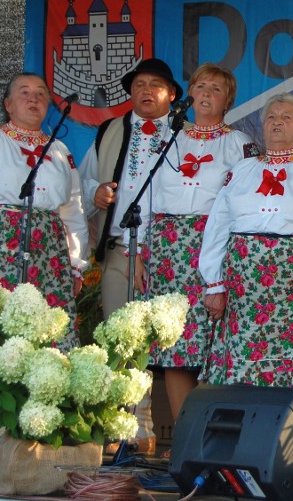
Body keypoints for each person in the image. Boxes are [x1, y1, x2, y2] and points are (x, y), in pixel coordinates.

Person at [199, 93, 293, 395]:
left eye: (286, 117)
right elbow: (217, 226)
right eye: (271, 117)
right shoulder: (242, 170)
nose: (277, 123)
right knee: (242, 357)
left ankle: (288, 431)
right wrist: (214, 283)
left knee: (292, 360)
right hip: (243, 286)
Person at [126, 63, 252, 423]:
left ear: (228, 99)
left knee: (213, 341)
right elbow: (145, 198)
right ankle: (184, 433)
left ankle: (212, 433)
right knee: (175, 342)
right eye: (201, 87)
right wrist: (137, 254)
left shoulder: (239, 143)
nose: (207, 94)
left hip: (214, 247)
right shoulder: (167, 140)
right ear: (190, 94)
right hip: (167, 250)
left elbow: (244, 202)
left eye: (216, 89)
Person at [79, 57, 185, 455]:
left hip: (173, 254)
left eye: (155, 85)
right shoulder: (110, 130)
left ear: (171, 95)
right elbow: (84, 178)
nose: (145, 91)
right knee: (121, 339)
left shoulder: (187, 133)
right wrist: (95, 192)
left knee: (175, 346)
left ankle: (181, 432)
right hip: (122, 248)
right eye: (139, 84)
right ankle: (132, 426)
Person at [0, 73, 89, 349]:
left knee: (49, 335)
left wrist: (76, 265)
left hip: (50, 254)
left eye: (41, 93)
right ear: (8, 105)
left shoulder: (60, 150)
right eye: (24, 92)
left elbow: (73, 211)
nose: (34, 98)